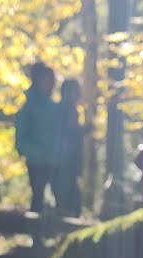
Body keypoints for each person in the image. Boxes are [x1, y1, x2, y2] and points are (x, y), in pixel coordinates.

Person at [14, 62, 60, 213]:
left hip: (56, 162)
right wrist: (40, 152)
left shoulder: (54, 107)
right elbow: (20, 141)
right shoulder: (28, 107)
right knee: (38, 200)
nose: (52, 84)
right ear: (38, 80)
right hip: (37, 163)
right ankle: (36, 234)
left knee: (60, 202)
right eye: (49, 80)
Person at [53, 79, 85, 217]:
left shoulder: (62, 109)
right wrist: (84, 130)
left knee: (68, 200)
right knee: (68, 202)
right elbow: (71, 132)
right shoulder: (67, 109)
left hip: (66, 162)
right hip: (65, 162)